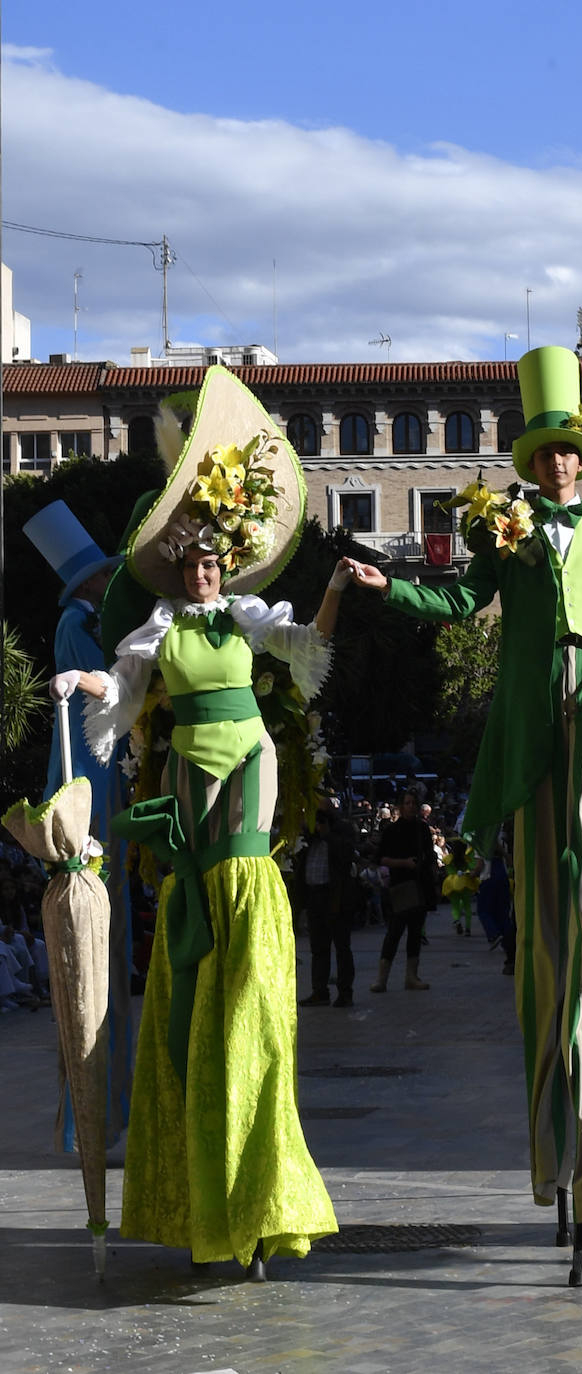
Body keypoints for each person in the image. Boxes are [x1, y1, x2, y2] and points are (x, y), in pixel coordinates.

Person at [347, 345, 582, 1224]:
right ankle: (558, 939)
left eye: (568, 451)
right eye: (546, 453)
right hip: (537, 698)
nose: (558, 463)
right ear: (532, 463)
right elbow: (463, 601)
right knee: (548, 836)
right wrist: (393, 589)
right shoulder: (506, 524)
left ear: (579, 458)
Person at [49, 365, 343, 1276]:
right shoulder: (158, 630)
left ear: (226, 565)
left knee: (245, 878)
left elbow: (303, 648)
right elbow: (122, 688)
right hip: (187, 760)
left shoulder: (243, 618)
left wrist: (339, 590)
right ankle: (203, 972)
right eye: (193, 564)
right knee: (198, 887)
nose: (204, 572)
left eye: (213, 562)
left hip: (249, 753)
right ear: (178, 570)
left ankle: (247, 974)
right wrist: (81, 679)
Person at [23, 501, 133, 1148]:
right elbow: (113, 688)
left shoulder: (86, 620)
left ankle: (106, 1111)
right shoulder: (77, 625)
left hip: (102, 772)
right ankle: (94, 1115)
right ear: (88, 580)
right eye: (104, 573)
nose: (111, 580)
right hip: (91, 780)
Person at [371, 789, 435, 992]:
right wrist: (404, 863)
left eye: (413, 803)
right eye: (407, 803)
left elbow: (430, 855)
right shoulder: (392, 831)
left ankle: (411, 976)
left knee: (415, 933)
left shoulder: (422, 829)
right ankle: (382, 978)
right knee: (394, 932)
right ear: (400, 806)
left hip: (420, 885)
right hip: (400, 886)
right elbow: (381, 858)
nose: (411, 806)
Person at [297, 800, 357, 1007]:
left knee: (341, 946)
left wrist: (327, 833)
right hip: (314, 895)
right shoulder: (310, 834)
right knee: (318, 947)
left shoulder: (342, 829)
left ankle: (345, 992)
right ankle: (319, 991)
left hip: (335, 897)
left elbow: (346, 855)